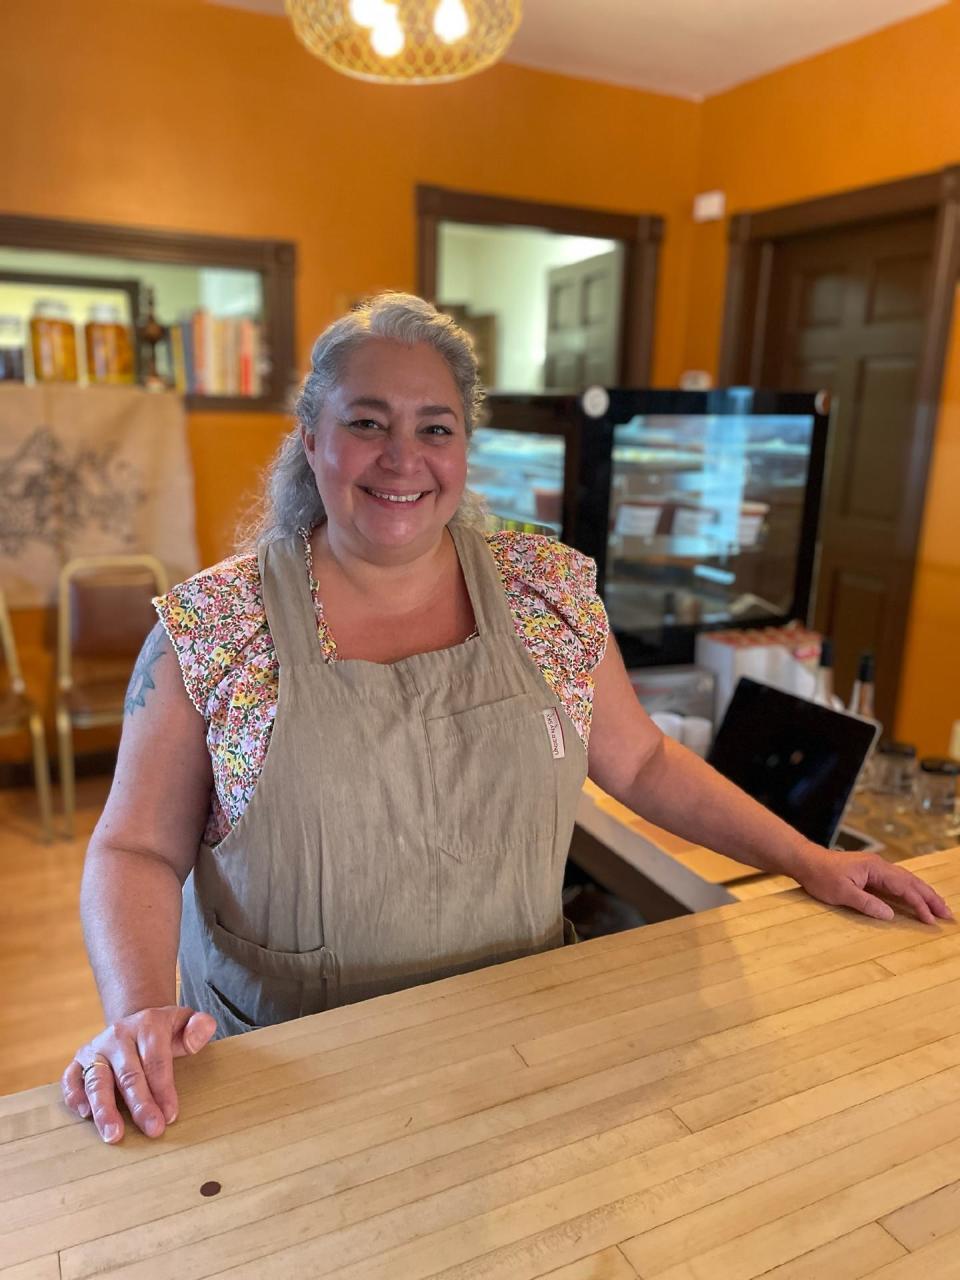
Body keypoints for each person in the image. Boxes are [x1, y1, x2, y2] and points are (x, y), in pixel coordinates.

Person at [62, 292, 952, 1145]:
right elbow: (135, 847)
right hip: (286, 1071)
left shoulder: (546, 594)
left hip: (514, 1046)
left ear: (465, 448)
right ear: (311, 440)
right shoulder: (216, 628)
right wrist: (137, 1012)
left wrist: (811, 860)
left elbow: (640, 763)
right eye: (366, 422)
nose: (402, 457)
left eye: (434, 429)